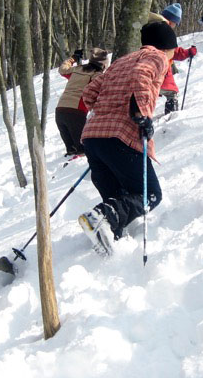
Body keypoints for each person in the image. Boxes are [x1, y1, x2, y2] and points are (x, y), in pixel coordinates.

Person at [76, 21, 177, 256]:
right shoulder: (158, 57)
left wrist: (105, 111)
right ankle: (103, 218)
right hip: (121, 136)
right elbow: (141, 76)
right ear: (166, 46)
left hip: (93, 137)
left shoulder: (120, 61)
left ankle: (109, 235)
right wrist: (140, 114)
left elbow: (89, 93)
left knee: (118, 198)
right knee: (149, 195)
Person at [55, 47, 109, 157]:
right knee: (82, 150)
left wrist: (73, 58)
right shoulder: (97, 75)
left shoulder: (77, 69)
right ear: (103, 65)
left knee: (71, 151)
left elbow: (62, 69)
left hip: (60, 111)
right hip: (76, 112)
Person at [148, 5, 197, 114]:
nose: (175, 26)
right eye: (176, 23)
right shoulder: (164, 30)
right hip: (160, 69)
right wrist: (188, 52)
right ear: (172, 21)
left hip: (146, 67)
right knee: (171, 93)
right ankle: (171, 118)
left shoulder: (150, 27)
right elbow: (172, 51)